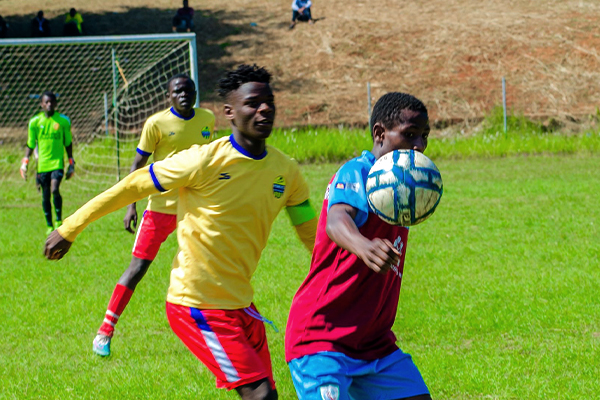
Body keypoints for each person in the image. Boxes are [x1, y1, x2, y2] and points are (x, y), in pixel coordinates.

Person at [44, 64, 318, 400]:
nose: (264, 109)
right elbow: (133, 185)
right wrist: (70, 227)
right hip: (197, 305)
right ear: (230, 112)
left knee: (267, 395)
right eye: (252, 103)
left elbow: (311, 234)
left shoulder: (286, 171)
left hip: (242, 305)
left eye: (269, 102)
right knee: (260, 395)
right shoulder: (203, 161)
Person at [285, 92, 433, 400]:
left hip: (374, 344)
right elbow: (337, 220)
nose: (419, 145)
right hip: (322, 339)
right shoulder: (359, 172)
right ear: (380, 133)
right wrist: (363, 246)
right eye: (409, 135)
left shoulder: (402, 183)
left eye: (424, 136)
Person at [92, 74, 215, 357]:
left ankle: (211, 330)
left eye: (188, 90)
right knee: (137, 269)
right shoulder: (156, 124)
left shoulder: (207, 119)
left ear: (195, 93)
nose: (183, 95)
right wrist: (131, 205)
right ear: (168, 95)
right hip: (160, 208)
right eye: (177, 91)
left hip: (194, 209)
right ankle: (105, 331)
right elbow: (138, 165)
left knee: (207, 265)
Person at [20, 91, 75, 235]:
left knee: (54, 189)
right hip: (42, 165)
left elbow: (68, 143)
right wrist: (25, 162)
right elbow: (31, 144)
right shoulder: (35, 122)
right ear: (42, 104)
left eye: (51, 102)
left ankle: (58, 220)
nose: (49, 104)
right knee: (45, 195)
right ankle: (49, 224)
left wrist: (71, 162)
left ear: (56, 104)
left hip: (57, 163)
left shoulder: (63, 121)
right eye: (46, 102)